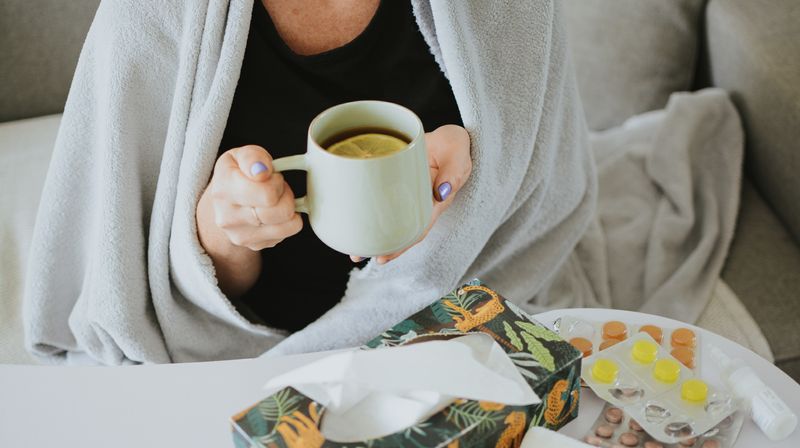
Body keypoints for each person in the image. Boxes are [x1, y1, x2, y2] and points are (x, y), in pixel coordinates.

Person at [24, 0, 595, 364]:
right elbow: (120, 279)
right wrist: (223, 236)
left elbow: (546, 189)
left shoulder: (511, 10)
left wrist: (479, 160)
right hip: (245, 354)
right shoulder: (151, 17)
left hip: (449, 326)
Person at [197, 0, 472, 332]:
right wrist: (226, 226)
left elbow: (536, 186)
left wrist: (479, 150)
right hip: (265, 347)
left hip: (458, 322)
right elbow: (160, 293)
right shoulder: (157, 15)